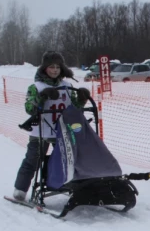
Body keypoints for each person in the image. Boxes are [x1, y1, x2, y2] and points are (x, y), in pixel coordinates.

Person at [12, 51, 91, 201]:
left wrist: (81, 100)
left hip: (62, 131)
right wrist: (43, 97)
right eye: (51, 67)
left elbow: (74, 110)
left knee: (67, 160)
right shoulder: (36, 87)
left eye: (58, 67)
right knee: (32, 160)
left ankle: (67, 184)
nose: (55, 70)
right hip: (40, 131)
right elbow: (29, 109)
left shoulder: (67, 86)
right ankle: (20, 189)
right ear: (44, 68)